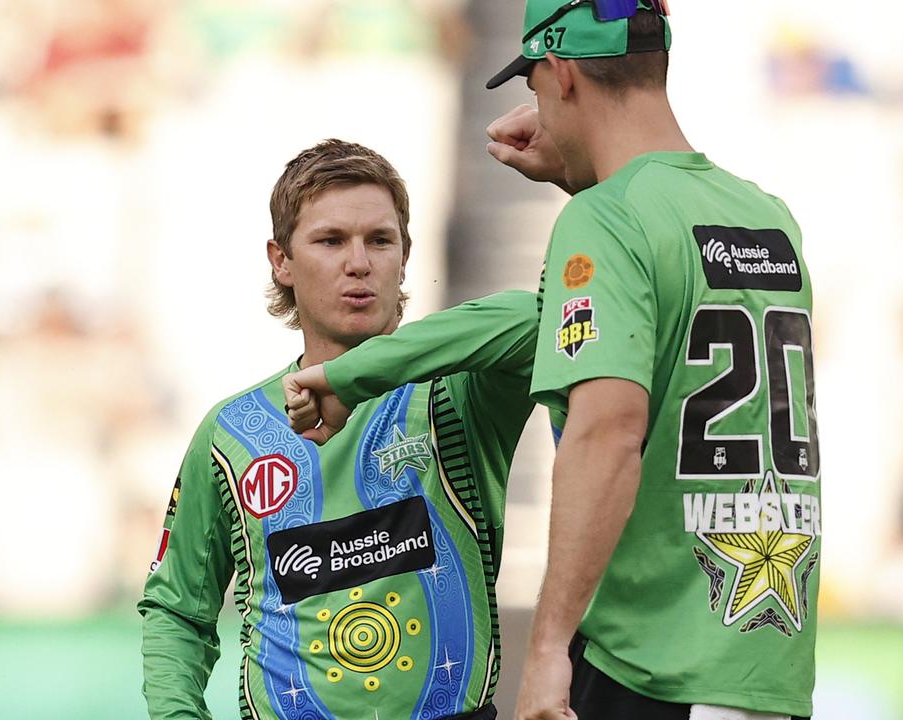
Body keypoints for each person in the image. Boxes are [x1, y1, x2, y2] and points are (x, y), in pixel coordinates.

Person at [290, 2, 822, 718]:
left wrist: (546, 650)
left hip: (655, 665)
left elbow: (608, 431)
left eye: (535, 85)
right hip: (765, 659)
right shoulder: (768, 215)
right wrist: (583, 172)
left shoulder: (607, 221)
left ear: (563, 74)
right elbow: (646, 294)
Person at [138, 139, 537, 719]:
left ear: (405, 255)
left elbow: (535, 319)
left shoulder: (457, 393)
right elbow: (179, 610)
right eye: (330, 241)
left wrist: (352, 377)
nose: (360, 262)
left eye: (380, 240)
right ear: (281, 260)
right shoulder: (234, 431)